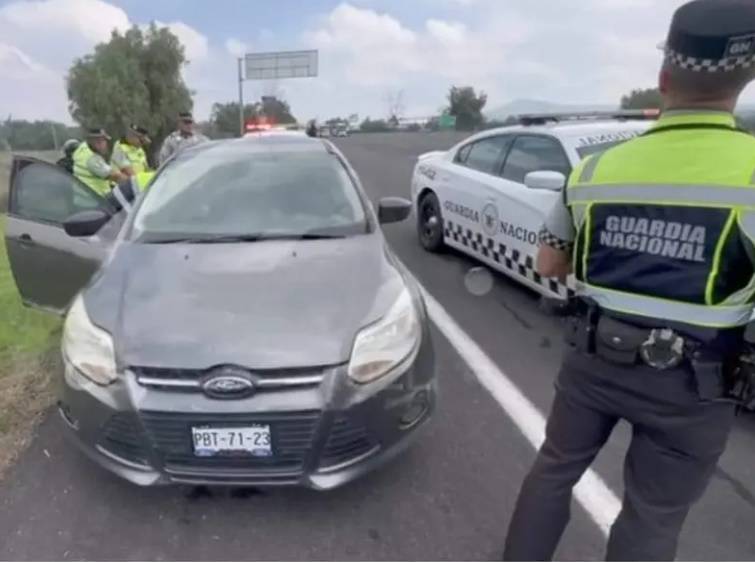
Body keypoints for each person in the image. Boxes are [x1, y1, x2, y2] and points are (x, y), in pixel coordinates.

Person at [503, 1, 755, 560]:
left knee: (553, 470)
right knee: (653, 515)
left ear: (664, 79)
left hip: (595, 359)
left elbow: (549, 264)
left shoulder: (594, 170)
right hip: (697, 385)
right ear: (746, 78)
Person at [72, 128, 127, 196]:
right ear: (97, 142)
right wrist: (133, 182)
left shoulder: (83, 150)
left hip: (83, 198)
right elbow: (116, 176)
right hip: (94, 201)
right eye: (104, 141)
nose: (106, 145)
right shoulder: (92, 159)